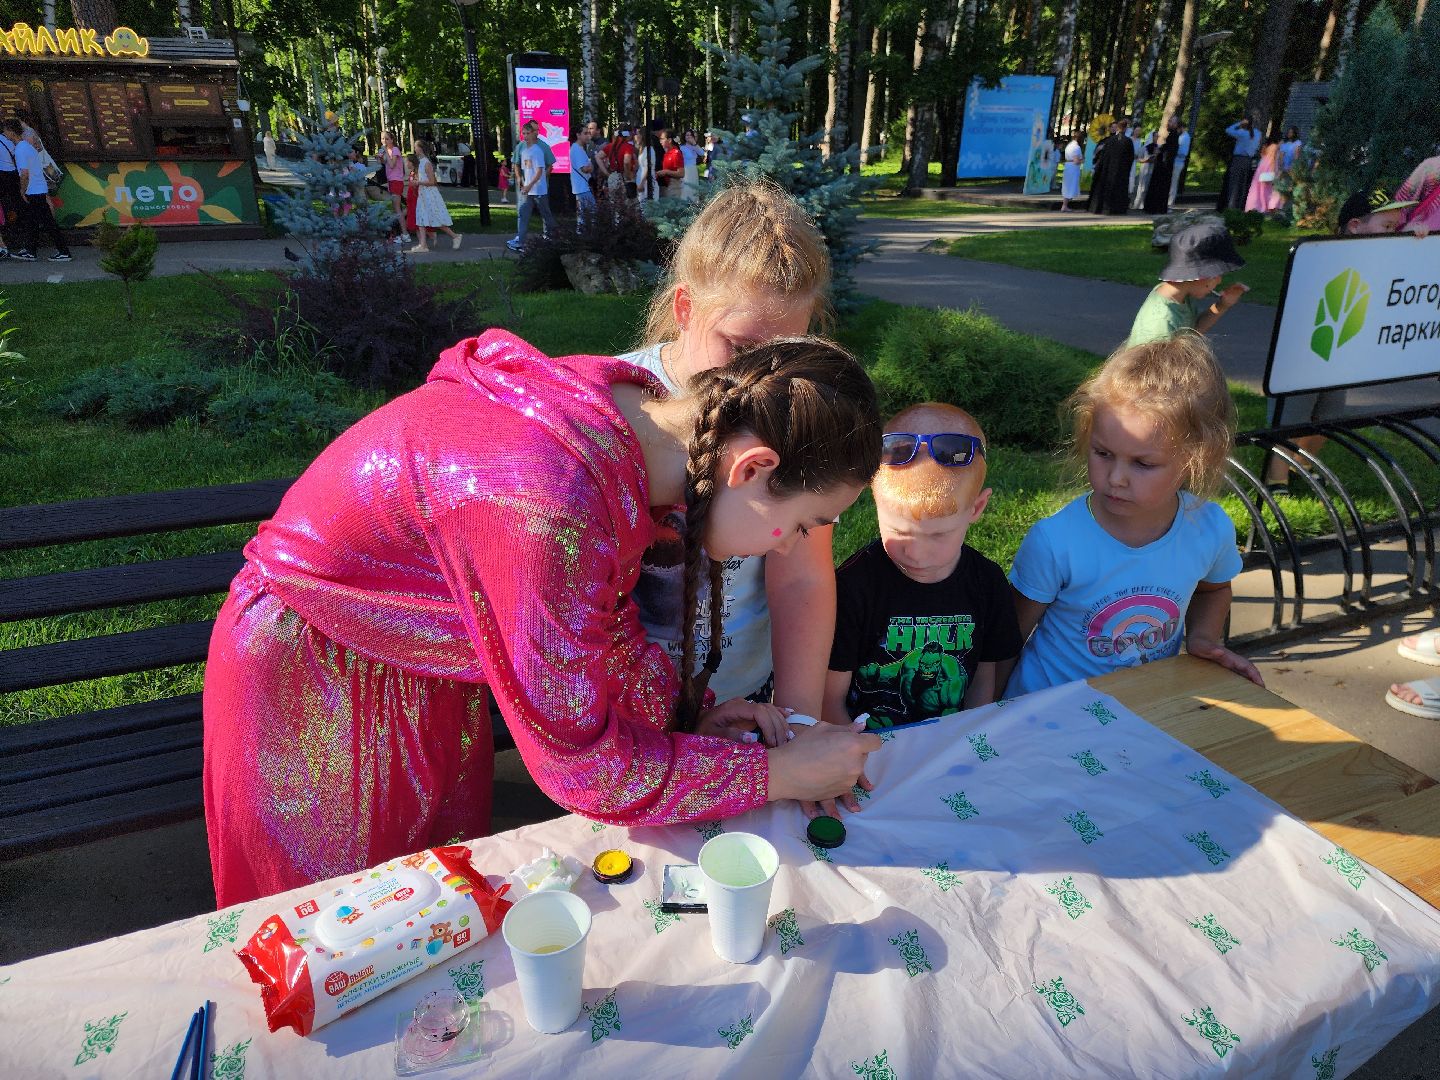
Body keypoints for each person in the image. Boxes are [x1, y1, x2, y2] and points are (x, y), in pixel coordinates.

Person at [203, 331, 886, 906]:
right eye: (802, 524)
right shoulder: (546, 497)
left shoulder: (635, 425)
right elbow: (585, 769)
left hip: (424, 672)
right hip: (318, 693)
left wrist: (687, 719)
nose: (794, 547)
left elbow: (600, 618)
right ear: (752, 467)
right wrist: (778, 777)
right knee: (339, 936)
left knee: (433, 918)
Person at [617, 180, 839, 733]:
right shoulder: (618, 404)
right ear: (686, 307)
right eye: (740, 349)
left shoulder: (797, 406)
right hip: (617, 707)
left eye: (786, 353)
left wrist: (799, 721)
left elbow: (803, 578)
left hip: (744, 696)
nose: (763, 382)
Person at [998, 333, 1263, 699]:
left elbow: (1213, 589)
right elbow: (1007, 641)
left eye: (1143, 463)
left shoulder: (1209, 529)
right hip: (1046, 712)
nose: (1116, 478)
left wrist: (1202, 638)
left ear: (1195, 459)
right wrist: (982, 718)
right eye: (1103, 453)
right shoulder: (1056, 542)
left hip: (1141, 709)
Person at [826, 403, 1022, 737]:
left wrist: (969, 740)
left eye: (937, 535)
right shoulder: (853, 585)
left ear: (977, 508)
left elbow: (984, 681)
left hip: (946, 746)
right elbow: (829, 699)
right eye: (899, 532)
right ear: (874, 499)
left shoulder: (987, 583)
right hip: (866, 747)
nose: (916, 554)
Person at [1260, 188, 1420, 494]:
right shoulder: (1323, 253)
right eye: (1387, 227)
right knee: (1291, 417)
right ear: (1355, 226)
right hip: (1304, 354)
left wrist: (1417, 243)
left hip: (1340, 353)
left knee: (1330, 417)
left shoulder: (1380, 257)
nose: (1393, 233)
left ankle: (1301, 464)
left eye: (1395, 228)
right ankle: (1276, 478)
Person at [1127, 221, 1248, 347]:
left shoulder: (1179, 296)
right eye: (1216, 274)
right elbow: (1159, 366)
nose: (1219, 281)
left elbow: (1193, 331)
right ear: (1199, 275)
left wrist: (1223, 305)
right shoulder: (1162, 324)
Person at [6, 119, 69, 262]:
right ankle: (31, 251)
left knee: (47, 223)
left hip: (33, 191)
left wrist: (22, 190)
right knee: (32, 221)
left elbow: (24, 173)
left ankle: (63, 251)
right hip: (38, 189)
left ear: (11, 132)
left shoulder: (20, 150)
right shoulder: (27, 147)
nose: (5, 134)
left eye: (6, 131)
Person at [508, 120, 557, 251]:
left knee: (545, 213)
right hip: (527, 188)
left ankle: (553, 237)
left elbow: (544, 168)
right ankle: (520, 240)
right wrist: (521, 180)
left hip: (538, 189)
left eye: (533, 131)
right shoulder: (522, 148)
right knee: (523, 213)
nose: (528, 135)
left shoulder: (541, 148)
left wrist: (535, 182)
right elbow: (517, 164)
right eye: (525, 133)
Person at [410, 139, 460, 253]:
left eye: (416, 147)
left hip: (429, 194)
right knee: (421, 218)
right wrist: (417, 180)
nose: (414, 149)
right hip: (423, 194)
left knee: (435, 218)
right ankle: (423, 245)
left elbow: (432, 182)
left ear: (421, 148)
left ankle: (455, 236)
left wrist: (418, 182)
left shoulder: (426, 163)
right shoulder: (421, 162)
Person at [1087, 121, 1134, 216]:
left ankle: (1105, 208)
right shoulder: (1128, 141)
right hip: (1121, 172)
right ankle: (1117, 209)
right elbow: (1130, 157)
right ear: (1125, 129)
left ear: (1118, 128)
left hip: (1108, 171)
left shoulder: (1110, 141)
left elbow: (1103, 156)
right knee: (1119, 190)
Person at [1219, 116, 1261, 211]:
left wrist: (1239, 123)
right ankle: (1240, 205)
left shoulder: (1242, 133)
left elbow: (1228, 130)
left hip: (1238, 159)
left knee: (1234, 183)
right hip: (1248, 160)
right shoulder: (1257, 134)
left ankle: (1231, 205)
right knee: (1243, 183)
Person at [1143, 116, 1180, 214]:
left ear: (1175, 125)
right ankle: (1156, 207)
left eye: (1171, 122)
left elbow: (1169, 152)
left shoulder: (1174, 136)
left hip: (1164, 166)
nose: (1168, 123)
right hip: (1164, 165)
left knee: (1160, 187)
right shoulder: (1172, 136)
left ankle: (1156, 207)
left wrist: (1159, 152)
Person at [382, 131, 411, 244]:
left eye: (387, 139)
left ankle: (405, 233)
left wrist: (385, 152)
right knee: (395, 209)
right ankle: (399, 233)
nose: (384, 141)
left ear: (392, 140)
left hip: (396, 181)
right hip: (391, 181)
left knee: (397, 209)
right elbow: (386, 164)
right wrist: (381, 158)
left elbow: (393, 164)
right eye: (383, 139)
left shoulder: (395, 150)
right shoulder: (387, 151)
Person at [1245, 137, 1283, 213]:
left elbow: (1262, 155)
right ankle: (1268, 207)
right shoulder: (1274, 147)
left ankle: (1256, 206)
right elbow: (1272, 159)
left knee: (1258, 188)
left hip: (1262, 167)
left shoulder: (1266, 146)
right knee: (1270, 189)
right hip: (1269, 167)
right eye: (1281, 141)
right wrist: (1273, 171)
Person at [569, 124, 597, 228]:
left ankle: (582, 233)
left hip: (581, 186)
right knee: (593, 214)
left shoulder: (578, 148)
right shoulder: (576, 149)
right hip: (583, 187)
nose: (588, 135)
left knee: (583, 215)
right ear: (578, 135)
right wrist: (592, 166)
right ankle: (588, 234)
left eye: (588, 133)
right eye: (585, 133)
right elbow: (584, 169)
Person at [1168, 121, 1191, 207]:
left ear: (1181, 128)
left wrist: (1173, 151)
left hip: (1178, 162)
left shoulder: (1185, 137)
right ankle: (1169, 200)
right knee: (1171, 181)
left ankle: (1170, 202)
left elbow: (1183, 152)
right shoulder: (1180, 136)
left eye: (1178, 129)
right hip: (1174, 161)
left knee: (1173, 182)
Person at [658, 129, 685, 198]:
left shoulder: (676, 153)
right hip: (667, 185)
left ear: (669, 140)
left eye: (662, 139)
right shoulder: (667, 153)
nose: (660, 141)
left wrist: (666, 172)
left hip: (674, 185)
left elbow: (681, 173)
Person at [1060, 132, 1083, 211]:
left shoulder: (1069, 146)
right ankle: (1065, 205)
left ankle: (1065, 205)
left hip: (1067, 166)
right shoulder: (1076, 147)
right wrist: (1082, 160)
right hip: (1073, 168)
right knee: (1071, 186)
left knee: (1067, 185)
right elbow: (1076, 161)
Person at [634, 127, 658, 202]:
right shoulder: (641, 149)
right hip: (640, 180)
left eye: (639, 134)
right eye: (636, 134)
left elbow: (648, 167)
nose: (636, 137)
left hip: (647, 182)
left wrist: (642, 183)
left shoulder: (649, 149)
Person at [680, 129, 702, 201]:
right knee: (686, 188)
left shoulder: (695, 146)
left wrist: (694, 143)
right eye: (687, 135)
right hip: (685, 170)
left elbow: (702, 153)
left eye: (690, 135)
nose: (689, 136)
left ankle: (694, 204)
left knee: (694, 188)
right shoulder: (681, 147)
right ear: (684, 136)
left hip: (693, 170)